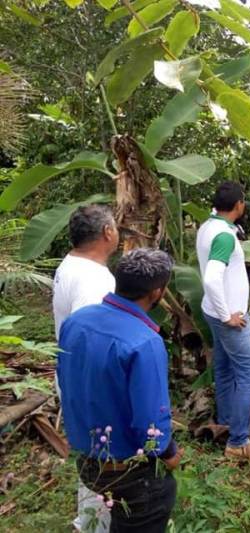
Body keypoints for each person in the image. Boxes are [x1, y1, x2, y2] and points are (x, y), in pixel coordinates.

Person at [58, 248, 182, 533]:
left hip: (88, 462)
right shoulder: (144, 342)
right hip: (129, 474)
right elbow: (150, 425)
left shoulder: (76, 321)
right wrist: (169, 452)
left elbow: (65, 379)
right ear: (157, 292)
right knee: (153, 502)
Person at [52, 205, 119, 533]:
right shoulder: (96, 279)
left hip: (70, 376)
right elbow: (90, 338)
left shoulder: (70, 264)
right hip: (89, 383)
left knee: (91, 456)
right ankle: (93, 526)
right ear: (108, 233)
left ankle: (88, 519)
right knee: (101, 458)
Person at [197, 182, 250, 462]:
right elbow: (212, 277)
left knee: (224, 368)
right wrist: (228, 315)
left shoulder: (206, 227)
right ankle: (237, 440)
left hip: (210, 311)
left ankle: (225, 421)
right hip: (227, 317)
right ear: (239, 205)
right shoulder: (224, 236)